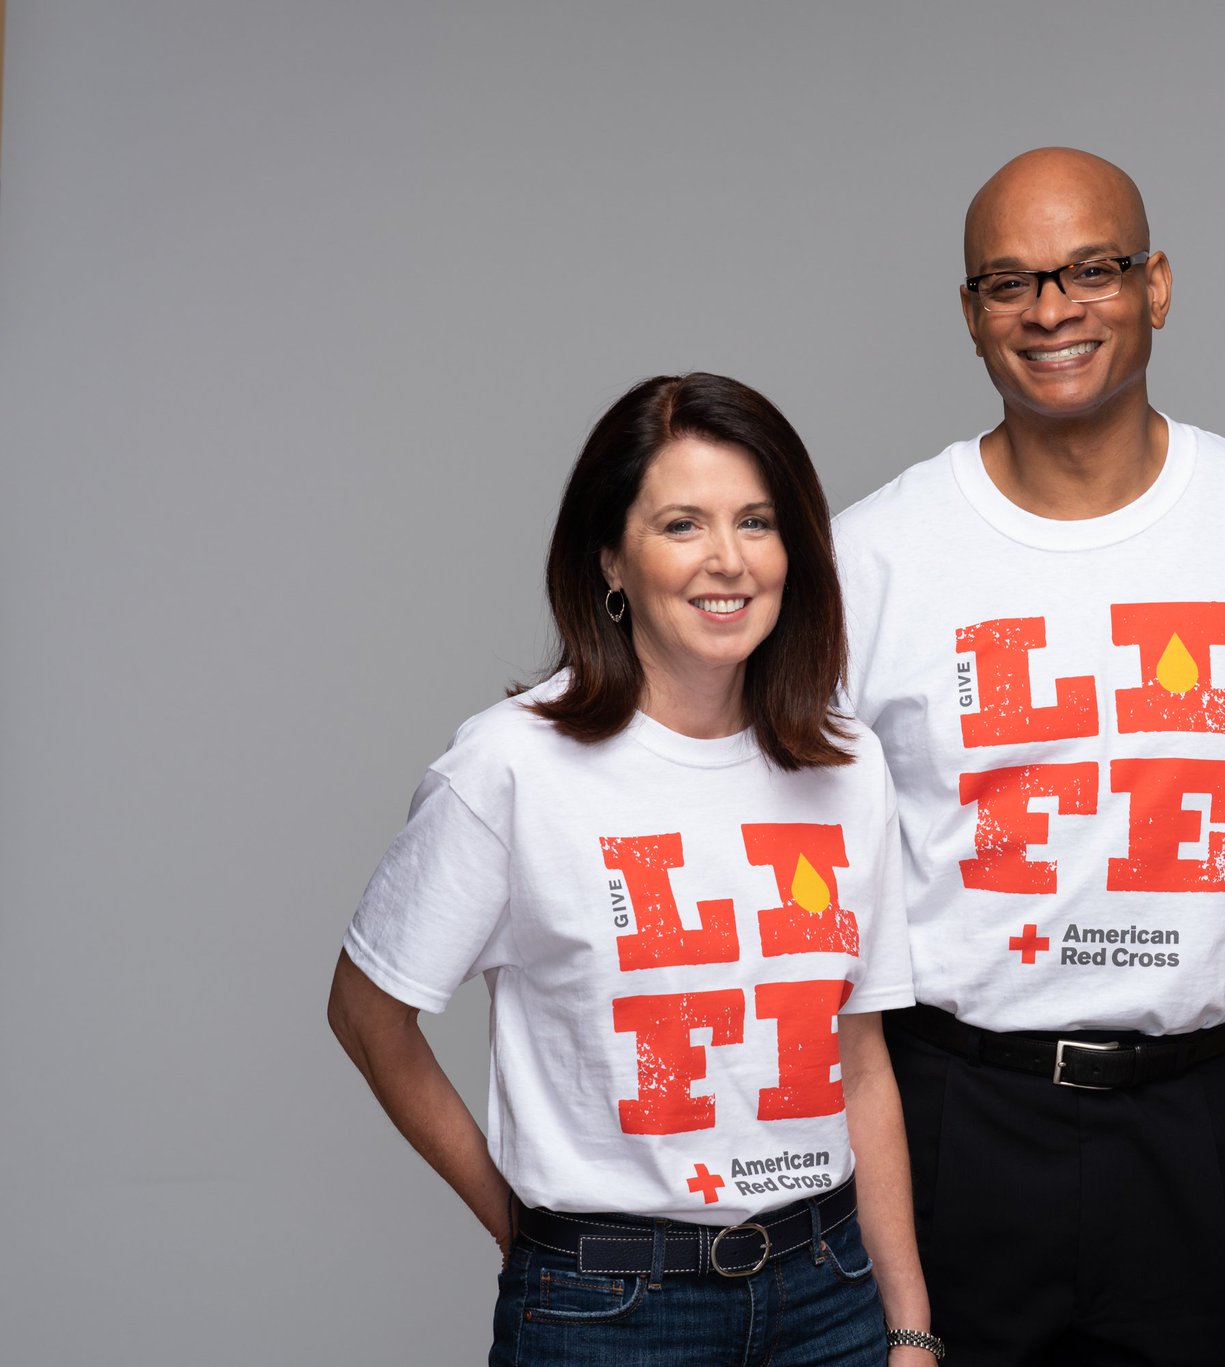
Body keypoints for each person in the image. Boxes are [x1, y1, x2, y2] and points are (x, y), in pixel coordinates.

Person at [831, 147, 1225, 1366]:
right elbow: (765, 839)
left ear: (1158, 285)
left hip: (1202, 1119)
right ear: (969, 311)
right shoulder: (867, 560)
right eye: (1009, 281)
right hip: (953, 1115)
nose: (1051, 309)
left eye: (1093, 269)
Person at [327, 373, 942, 1366]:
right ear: (610, 558)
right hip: (607, 1315)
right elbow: (365, 1011)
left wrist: (907, 1324)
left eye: (756, 521)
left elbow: (858, 1060)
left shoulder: (845, 761)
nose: (728, 560)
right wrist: (525, 1232)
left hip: (828, 1296)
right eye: (682, 524)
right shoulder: (510, 766)